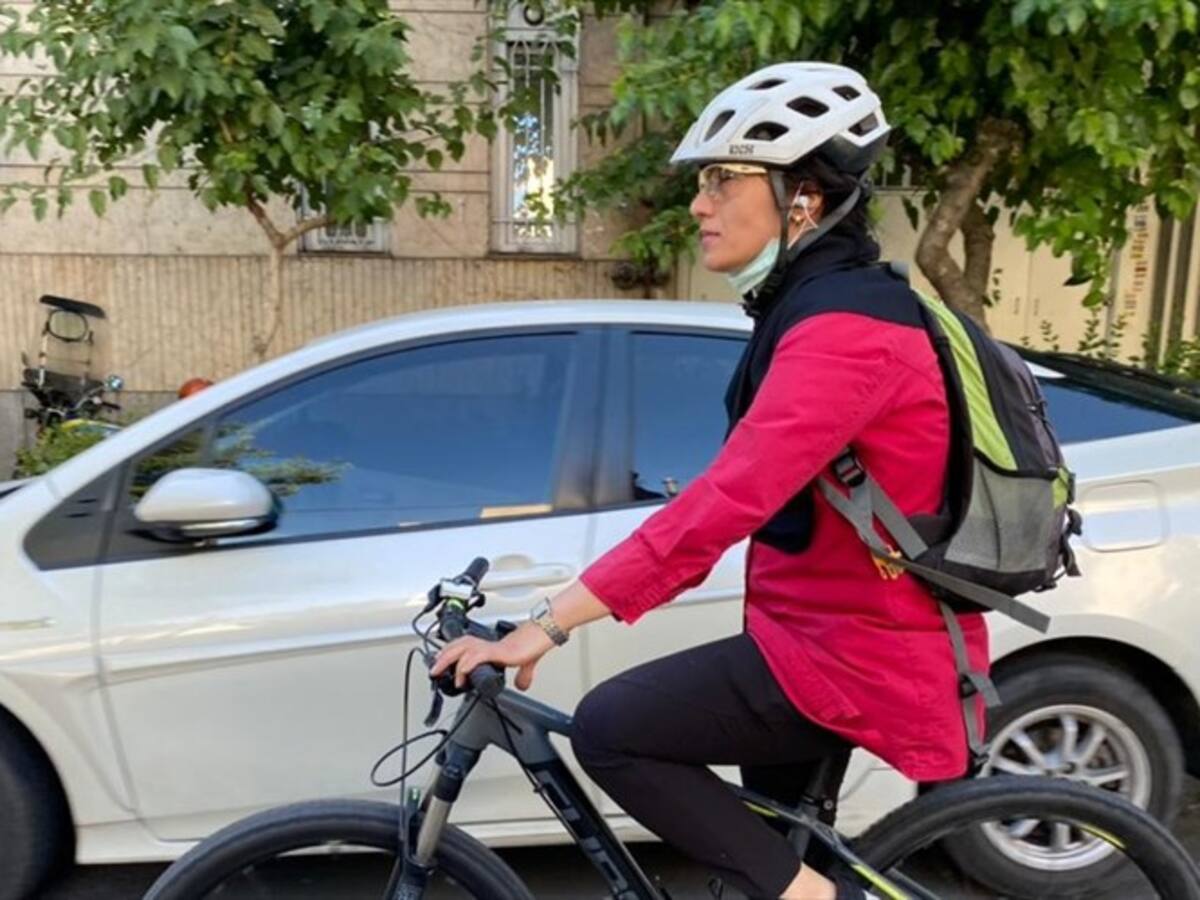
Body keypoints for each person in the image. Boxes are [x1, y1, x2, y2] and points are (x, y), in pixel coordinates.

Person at [431, 62, 988, 900]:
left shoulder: (850, 331)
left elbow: (730, 499)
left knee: (615, 730)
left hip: (853, 653)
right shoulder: (810, 307)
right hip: (807, 637)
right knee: (760, 862)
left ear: (802, 197)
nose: (699, 203)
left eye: (724, 180)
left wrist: (548, 625)